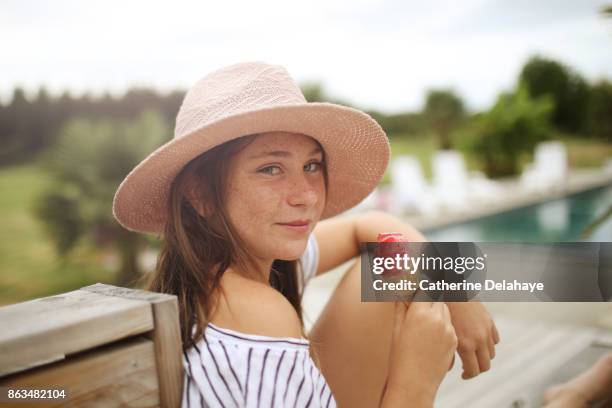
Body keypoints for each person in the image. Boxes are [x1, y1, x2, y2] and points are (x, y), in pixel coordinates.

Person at [112, 62, 500, 407]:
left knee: (386, 269)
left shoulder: (224, 270)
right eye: (270, 169)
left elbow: (364, 229)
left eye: (311, 165)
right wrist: (416, 381)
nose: (307, 195)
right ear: (199, 193)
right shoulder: (257, 313)